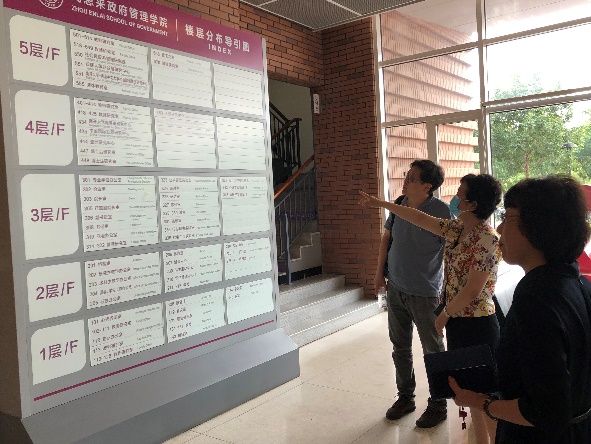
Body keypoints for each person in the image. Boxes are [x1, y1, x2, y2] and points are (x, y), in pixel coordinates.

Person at [360, 173, 503, 444]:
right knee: (470, 393)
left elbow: (473, 289)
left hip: (478, 323)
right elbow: (418, 217)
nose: (455, 197)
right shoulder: (456, 229)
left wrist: (445, 314)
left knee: (488, 397)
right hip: (458, 321)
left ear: (472, 205)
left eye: (460, 193)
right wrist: (382, 204)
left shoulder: (488, 239)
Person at [449, 175, 591, 443]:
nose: (499, 227)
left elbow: (545, 411)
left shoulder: (537, 300)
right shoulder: (577, 283)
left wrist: (481, 402)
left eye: (508, 216)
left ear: (539, 226)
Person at [372, 160, 452, 428]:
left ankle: (439, 404)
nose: (405, 181)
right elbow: (387, 240)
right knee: (400, 347)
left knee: (433, 349)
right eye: (406, 176)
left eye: (411, 178)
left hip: (425, 293)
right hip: (396, 287)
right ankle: (405, 397)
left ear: (427, 186)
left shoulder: (440, 211)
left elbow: (450, 252)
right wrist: (379, 274)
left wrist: (448, 292)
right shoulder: (400, 204)